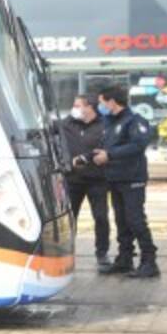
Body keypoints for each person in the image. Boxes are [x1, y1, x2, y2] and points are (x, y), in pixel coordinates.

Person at [92, 85, 159, 278]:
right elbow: (106, 146)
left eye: (102, 102)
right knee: (121, 221)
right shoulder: (108, 122)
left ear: (112, 101)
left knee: (135, 220)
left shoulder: (135, 121)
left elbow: (138, 145)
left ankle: (149, 261)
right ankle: (125, 259)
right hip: (114, 178)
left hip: (133, 179)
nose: (100, 106)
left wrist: (110, 155)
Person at [60, 94, 112, 268]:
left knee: (101, 217)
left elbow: (106, 149)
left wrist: (86, 158)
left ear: (89, 107)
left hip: (97, 180)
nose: (74, 109)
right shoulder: (67, 123)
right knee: (70, 219)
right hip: (72, 180)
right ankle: (66, 255)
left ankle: (102, 254)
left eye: (77, 105)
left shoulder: (104, 124)